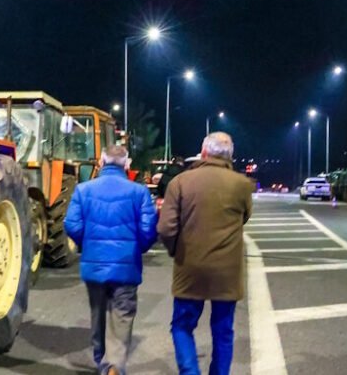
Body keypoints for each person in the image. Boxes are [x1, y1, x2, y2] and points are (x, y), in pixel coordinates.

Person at [157, 132, 253, 375]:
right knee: (223, 330)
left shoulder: (180, 182)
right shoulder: (242, 184)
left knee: (181, 326)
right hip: (227, 271)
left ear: (204, 151)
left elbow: (166, 228)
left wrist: (176, 251)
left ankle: (190, 372)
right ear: (230, 155)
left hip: (190, 266)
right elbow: (244, 218)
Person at [65, 144, 158, 375]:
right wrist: (138, 248)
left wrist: (88, 245)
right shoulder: (139, 192)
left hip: (94, 265)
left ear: (101, 162)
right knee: (122, 314)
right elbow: (148, 230)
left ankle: (100, 360)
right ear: (127, 164)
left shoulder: (83, 190)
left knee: (98, 314)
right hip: (126, 266)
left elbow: (72, 225)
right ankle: (114, 365)